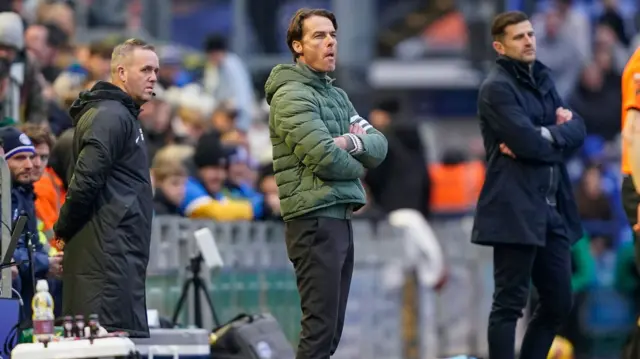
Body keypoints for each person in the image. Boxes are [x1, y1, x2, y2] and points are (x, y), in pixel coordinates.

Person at [264, 8, 388, 359]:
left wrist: (351, 143)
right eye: (319, 36)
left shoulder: (337, 95)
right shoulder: (291, 95)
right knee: (319, 330)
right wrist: (358, 166)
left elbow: (379, 147)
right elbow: (322, 156)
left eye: (332, 34)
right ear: (297, 46)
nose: (330, 41)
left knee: (331, 331)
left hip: (337, 216)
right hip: (314, 218)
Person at [472, 11, 585, 359]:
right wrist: (552, 136)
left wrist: (547, 134)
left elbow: (577, 128)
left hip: (552, 207)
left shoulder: (543, 79)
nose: (529, 41)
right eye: (519, 37)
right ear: (499, 46)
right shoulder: (496, 89)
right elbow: (526, 143)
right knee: (509, 302)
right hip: (515, 208)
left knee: (559, 301)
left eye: (531, 34)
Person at [53, 38, 158, 338]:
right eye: (146, 69)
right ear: (122, 73)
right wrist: (63, 229)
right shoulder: (111, 116)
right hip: (106, 261)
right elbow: (85, 180)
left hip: (115, 256)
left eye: (157, 71)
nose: (153, 77)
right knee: (105, 345)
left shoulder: (122, 115)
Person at [1, 127, 61, 321]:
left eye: (31, 157)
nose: (30, 165)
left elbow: (30, 243)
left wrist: (51, 262)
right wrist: (44, 263)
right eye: (19, 158)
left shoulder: (23, 194)